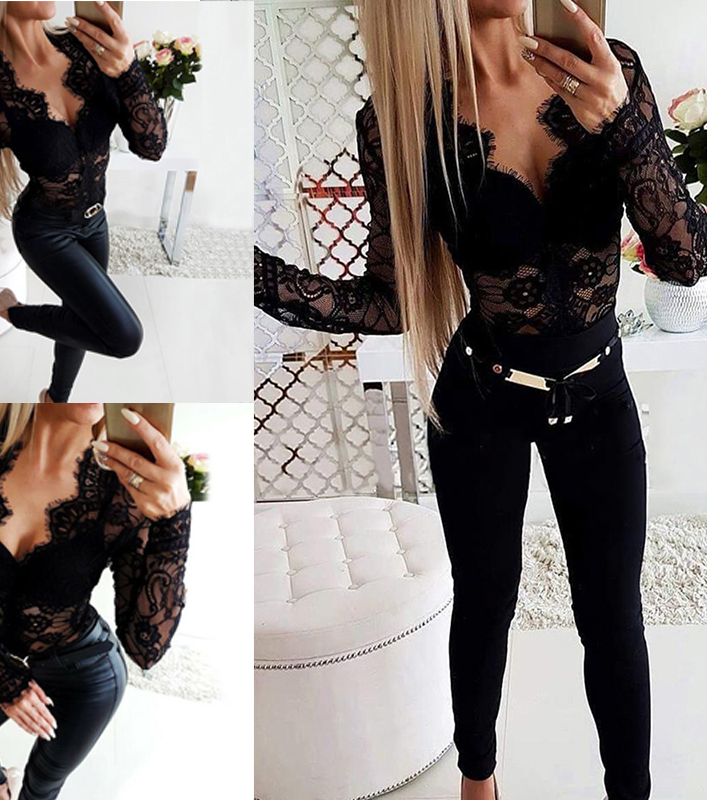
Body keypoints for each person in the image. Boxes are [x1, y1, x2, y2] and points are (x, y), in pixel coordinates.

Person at [254, 1, 707, 798]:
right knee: (487, 598)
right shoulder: (402, 120)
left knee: (612, 614)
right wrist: (253, 277)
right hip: (480, 396)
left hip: (597, 392)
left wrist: (624, 129)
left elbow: (685, 259)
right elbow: (391, 300)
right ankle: (478, 779)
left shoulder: (610, 70)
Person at [0, 403, 191, 800]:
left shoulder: (120, 487)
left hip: (89, 674)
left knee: (41, 787)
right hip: (11, 660)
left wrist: (175, 523)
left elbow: (145, 648)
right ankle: (3, 783)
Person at [0, 1, 166, 402]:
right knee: (123, 336)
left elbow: (152, 147)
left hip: (96, 221)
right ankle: (11, 311)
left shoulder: (87, 48)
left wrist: (129, 71)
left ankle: (55, 399)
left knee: (82, 316)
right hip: (43, 231)